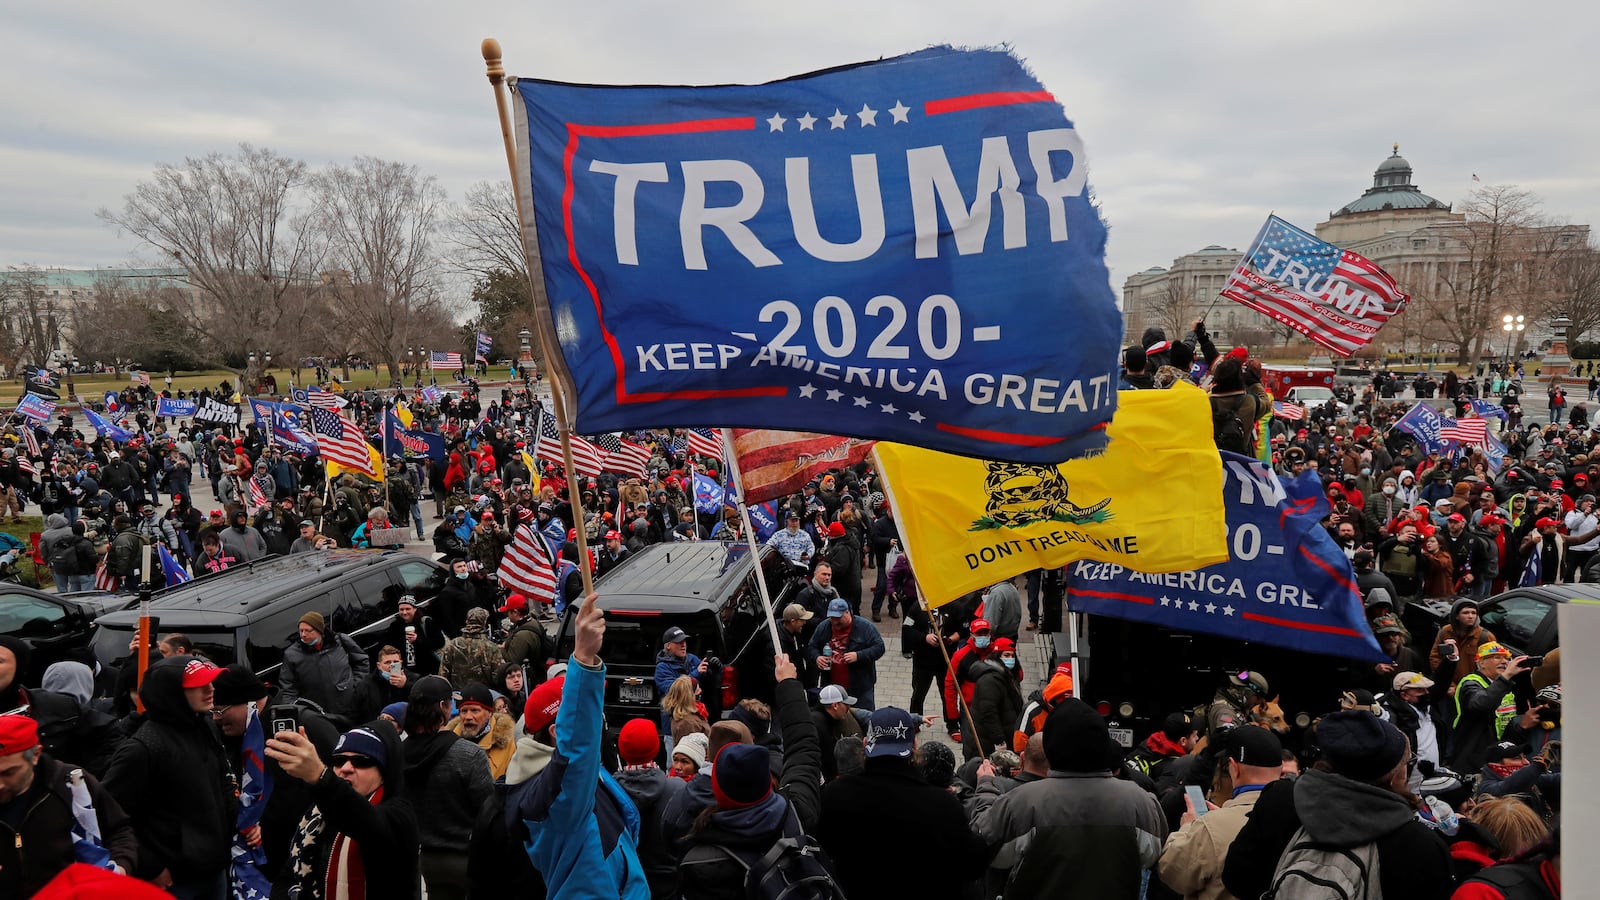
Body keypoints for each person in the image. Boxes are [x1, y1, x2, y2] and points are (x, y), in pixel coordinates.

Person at [507, 592, 651, 898]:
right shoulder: (554, 794)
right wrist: (584, 659)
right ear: (558, 732)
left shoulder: (583, 778)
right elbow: (576, 752)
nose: (598, 718)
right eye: (589, 712)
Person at [1221, 711, 1453, 900]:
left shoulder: (1280, 800)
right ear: (1393, 777)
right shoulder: (1420, 845)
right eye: (1407, 763)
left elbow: (1236, 878)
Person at [970, 698, 1168, 897]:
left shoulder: (1024, 802)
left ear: (1051, 746)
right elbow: (1156, 858)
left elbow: (982, 848)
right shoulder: (1142, 802)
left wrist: (987, 786)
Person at [817, 706, 991, 898]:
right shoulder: (942, 804)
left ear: (866, 744)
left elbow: (824, 852)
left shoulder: (836, 795)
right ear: (915, 746)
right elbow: (974, 864)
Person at [103, 657, 238, 899]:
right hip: (172, 881)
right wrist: (149, 866)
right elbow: (109, 815)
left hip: (215, 869)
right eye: (199, 685)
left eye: (211, 682)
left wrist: (239, 821)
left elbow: (221, 783)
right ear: (172, 693)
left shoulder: (206, 726)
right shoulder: (142, 749)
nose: (211, 689)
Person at [265, 720, 420, 900]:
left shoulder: (400, 814)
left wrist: (319, 776)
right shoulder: (317, 815)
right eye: (338, 760)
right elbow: (289, 875)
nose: (346, 769)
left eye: (361, 761)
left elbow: (364, 821)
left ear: (384, 772)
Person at [0, 714, 138, 897]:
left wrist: (119, 868)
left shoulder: (73, 784)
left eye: (9, 773)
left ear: (35, 755)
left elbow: (118, 831)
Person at [1156, 725, 1282, 900]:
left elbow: (1171, 871)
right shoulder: (1300, 818)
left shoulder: (1211, 827)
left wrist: (1188, 827)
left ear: (1234, 767)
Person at [402, 675, 494, 900]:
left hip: (416, 860)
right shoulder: (468, 754)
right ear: (444, 707)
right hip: (463, 859)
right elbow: (489, 813)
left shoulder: (397, 752)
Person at [613, 717, 683, 899]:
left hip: (626, 886)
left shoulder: (608, 792)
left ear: (621, 751)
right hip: (670, 885)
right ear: (657, 748)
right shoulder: (678, 789)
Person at [1450, 642, 1532, 775]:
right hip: (1472, 760)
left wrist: (1521, 727)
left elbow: (1501, 728)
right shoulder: (1470, 683)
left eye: (1506, 658)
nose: (1504, 662)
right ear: (1481, 663)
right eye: (1496, 657)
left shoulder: (1504, 686)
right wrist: (1506, 677)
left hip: (1496, 755)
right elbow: (1480, 705)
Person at [278, 611, 371, 719]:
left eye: (308, 630)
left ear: (319, 630)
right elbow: (288, 688)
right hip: (319, 716)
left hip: (349, 708)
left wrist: (354, 686)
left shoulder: (340, 641)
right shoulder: (292, 654)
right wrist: (302, 712)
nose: (303, 634)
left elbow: (361, 661)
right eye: (301, 630)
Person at [808, 597, 886, 710]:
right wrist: (817, 657)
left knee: (864, 720)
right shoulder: (824, 627)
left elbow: (879, 648)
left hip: (860, 689)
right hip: (832, 688)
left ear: (847, 612)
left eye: (838, 618)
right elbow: (812, 646)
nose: (835, 621)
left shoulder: (865, 627)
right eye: (832, 618)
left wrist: (858, 656)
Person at [964, 637, 1024, 761]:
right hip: (988, 744)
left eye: (1012, 656)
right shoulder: (990, 680)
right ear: (997, 655)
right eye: (1006, 655)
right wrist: (999, 741)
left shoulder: (1005, 675)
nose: (1010, 659)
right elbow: (989, 713)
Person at [448, 683, 517, 780]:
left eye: (475, 710)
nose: (468, 717)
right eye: (464, 711)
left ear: (489, 713)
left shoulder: (505, 741)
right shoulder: (449, 743)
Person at [1431, 599, 1497, 686]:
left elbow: (1492, 666)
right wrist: (1448, 684)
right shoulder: (1445, 632)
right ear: (1456, 616)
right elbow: (1435, 658)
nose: (1470, 616)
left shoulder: (1485, 636)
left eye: (1474, 613)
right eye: (1465, 613)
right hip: (1447, 685)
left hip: (1471, 687)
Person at [439, 608, 502, 690]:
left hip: (459, 697)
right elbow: (499, 676)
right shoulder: (491, 647)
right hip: (485, 696)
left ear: (467, 622)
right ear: (484, 623)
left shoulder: (453, 645)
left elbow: (443, 675)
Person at [382, 594, 444, 675]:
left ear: (414, 609)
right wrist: (395, 673)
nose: (404, 612)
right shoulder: (395, 627)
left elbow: (440, 642)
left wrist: (418, 640)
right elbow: (391, 651)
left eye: (408, 609)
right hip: (410, 673)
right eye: (401, 609)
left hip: (431, 668)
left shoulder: (425, 622)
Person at [500, 593, 552, 686]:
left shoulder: (522, 636)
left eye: (508, 612)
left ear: (515, 612)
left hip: (531, 678)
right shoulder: (532, 621)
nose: (507, 615)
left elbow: (512, 661)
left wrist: (501, 648)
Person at [653, 625, 708, 698]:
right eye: (679, 642)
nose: (683, 645)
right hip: (674, 708)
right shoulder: (662, 667)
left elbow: (707, 678)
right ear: (668, 646)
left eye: (684, 641)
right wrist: (696, 673)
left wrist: (715, 668)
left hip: (693, 706)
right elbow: (674, 690)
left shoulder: (692, 658)